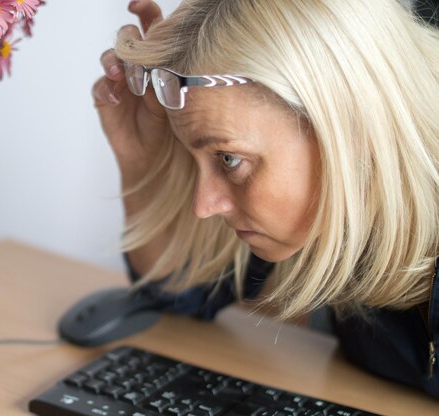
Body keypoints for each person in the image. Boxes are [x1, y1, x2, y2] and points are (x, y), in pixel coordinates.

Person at [92, 0, 439, 398]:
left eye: (229, 159)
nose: (203, 206)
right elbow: (182, 294)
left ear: (352, 126)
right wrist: (143, 159)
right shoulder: (337, 192)